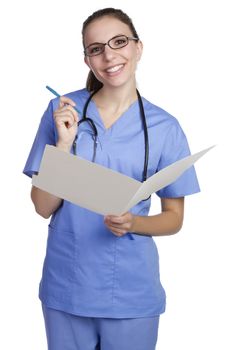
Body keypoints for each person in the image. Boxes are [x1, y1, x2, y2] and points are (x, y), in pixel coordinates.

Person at [23, 7, 200, 350]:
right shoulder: (63, 112)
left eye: (119, 42)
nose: (109, 55)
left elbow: (174, 219)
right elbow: (42, 207)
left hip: (131, 294)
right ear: (88, 60)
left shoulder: (166, 128)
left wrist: (134, 222)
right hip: (67, 286)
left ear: (138, 48)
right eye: (96, 48)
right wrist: (62, 144)